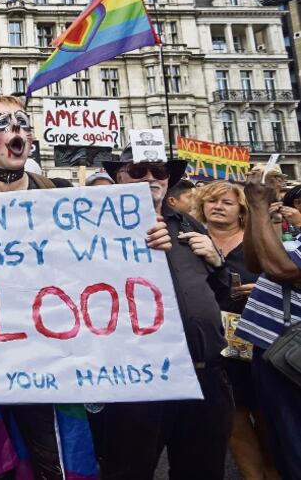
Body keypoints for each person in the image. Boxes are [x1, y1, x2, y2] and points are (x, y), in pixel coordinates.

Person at [0, 97, 172, 480]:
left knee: (54, 461)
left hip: (49, 358)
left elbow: (98, 262)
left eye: (22, 123)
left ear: (32, 137)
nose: (15, 130)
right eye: (2, 123)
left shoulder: (58, 193)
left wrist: (146, 240)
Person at [91, 148, 234, 479]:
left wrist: (217, 261)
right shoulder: (98, 230)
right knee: (128, 470)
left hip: (206, 374)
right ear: (119, 178)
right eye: (139, 170)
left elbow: (221, 291)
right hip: (139, 379)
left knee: (202, 470)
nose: (151, 178)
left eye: (158, 170)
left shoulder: (188, 224)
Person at [194, 182, 277, 480]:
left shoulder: (258, 239)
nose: (217, 206)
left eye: (226, 202)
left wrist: (264, 287)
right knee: (231, 417)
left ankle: (274, 471)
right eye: (212, 201)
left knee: (267, 414)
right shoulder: (193, 241)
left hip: (259, 339)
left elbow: (284, 274)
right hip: (214, 342)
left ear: (241, 209)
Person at [236, 173, 301, 479]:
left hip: (292, 355)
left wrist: (260, 207)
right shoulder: (297, 238)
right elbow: (255, 261)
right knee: (280, 442)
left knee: (294, 442)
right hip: (271, 348)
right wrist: (256, 212)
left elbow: (280, 269)